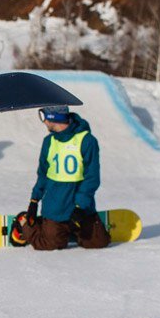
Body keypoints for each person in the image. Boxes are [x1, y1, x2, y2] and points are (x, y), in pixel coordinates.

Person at [13, 106, 109, 250]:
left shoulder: (87, 141)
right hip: (56, 208)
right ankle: (24, 225)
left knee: (98, 242)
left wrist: (80, 206)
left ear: (53, 117)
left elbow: (92, 177)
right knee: (50, 244)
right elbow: (43, 174)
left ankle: (68, 231)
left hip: (80, 208)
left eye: (43, 116)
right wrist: (34, 200)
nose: (43, 121)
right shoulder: (49, 142)